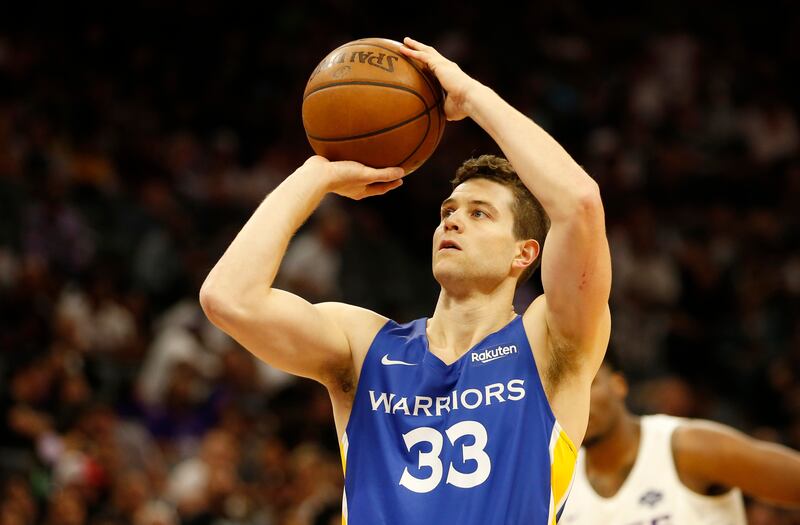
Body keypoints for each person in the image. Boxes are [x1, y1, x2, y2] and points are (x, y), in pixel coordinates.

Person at [199, 36, 611, 525]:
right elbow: (228, 298)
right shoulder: (364, 346)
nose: (453, 221)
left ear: (524, 253)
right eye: (448, 211)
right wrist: (315, 176)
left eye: (479, 213)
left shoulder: (548, 343)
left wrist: (472, 96)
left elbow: (580, 204)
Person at [560, 352, 800, 524]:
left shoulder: (688, 446)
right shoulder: (556, 482)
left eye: (588, 384)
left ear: (618, 385)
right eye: (562, 393)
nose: (576, 401)